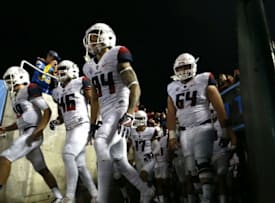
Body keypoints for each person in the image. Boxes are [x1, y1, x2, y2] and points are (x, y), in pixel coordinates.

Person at [82, 22, 155, 203]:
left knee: (101, 143)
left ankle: (102, 199)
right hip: (106, 114)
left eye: (94, 36)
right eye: (89, 38)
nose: (90, 41)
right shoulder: (89, 67)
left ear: (107, 36)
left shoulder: (118, 53)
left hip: (120, 108)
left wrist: (130, 112)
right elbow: (95, 99)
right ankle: (146, 191)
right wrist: (92, 123)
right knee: (119, 160)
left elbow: (134, 86)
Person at [0, 66, 63, 203]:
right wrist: (6, 128)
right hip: (26, 131)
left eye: (11, 79)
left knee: (5, 157)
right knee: (41, 168)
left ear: (20, 77)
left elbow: (47, 111)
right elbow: (21, 121)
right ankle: (59, 197)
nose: (9, 82)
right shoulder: (15, 98)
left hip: (32, 132)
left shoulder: (30, 88)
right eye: (7, 80)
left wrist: (39, 130)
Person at [167, 52, 236, 203]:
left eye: (186, 66)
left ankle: (207, 199)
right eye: (181, 67)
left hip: (203, 127)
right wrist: (172, 136)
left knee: (202, 162)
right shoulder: (172, 87)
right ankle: (206, 195)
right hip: (185, 132)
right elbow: (171, 114)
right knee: (192, 171)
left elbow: (219, 106)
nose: (184, 70)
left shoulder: (203, 79)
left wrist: (224, 128)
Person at [49, 60, 98, 203]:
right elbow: (61, 116)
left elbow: (94, 101)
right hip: (70, 129)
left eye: (65, 68)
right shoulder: (57, 91)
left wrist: (94, 123)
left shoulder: (81, 81)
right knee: (80, 165)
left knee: (68, 155)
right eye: (60, 69)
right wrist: (55, 122)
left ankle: (69, 197)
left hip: (82, 125)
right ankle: (95, 194)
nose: (61, 71)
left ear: (73, 69)